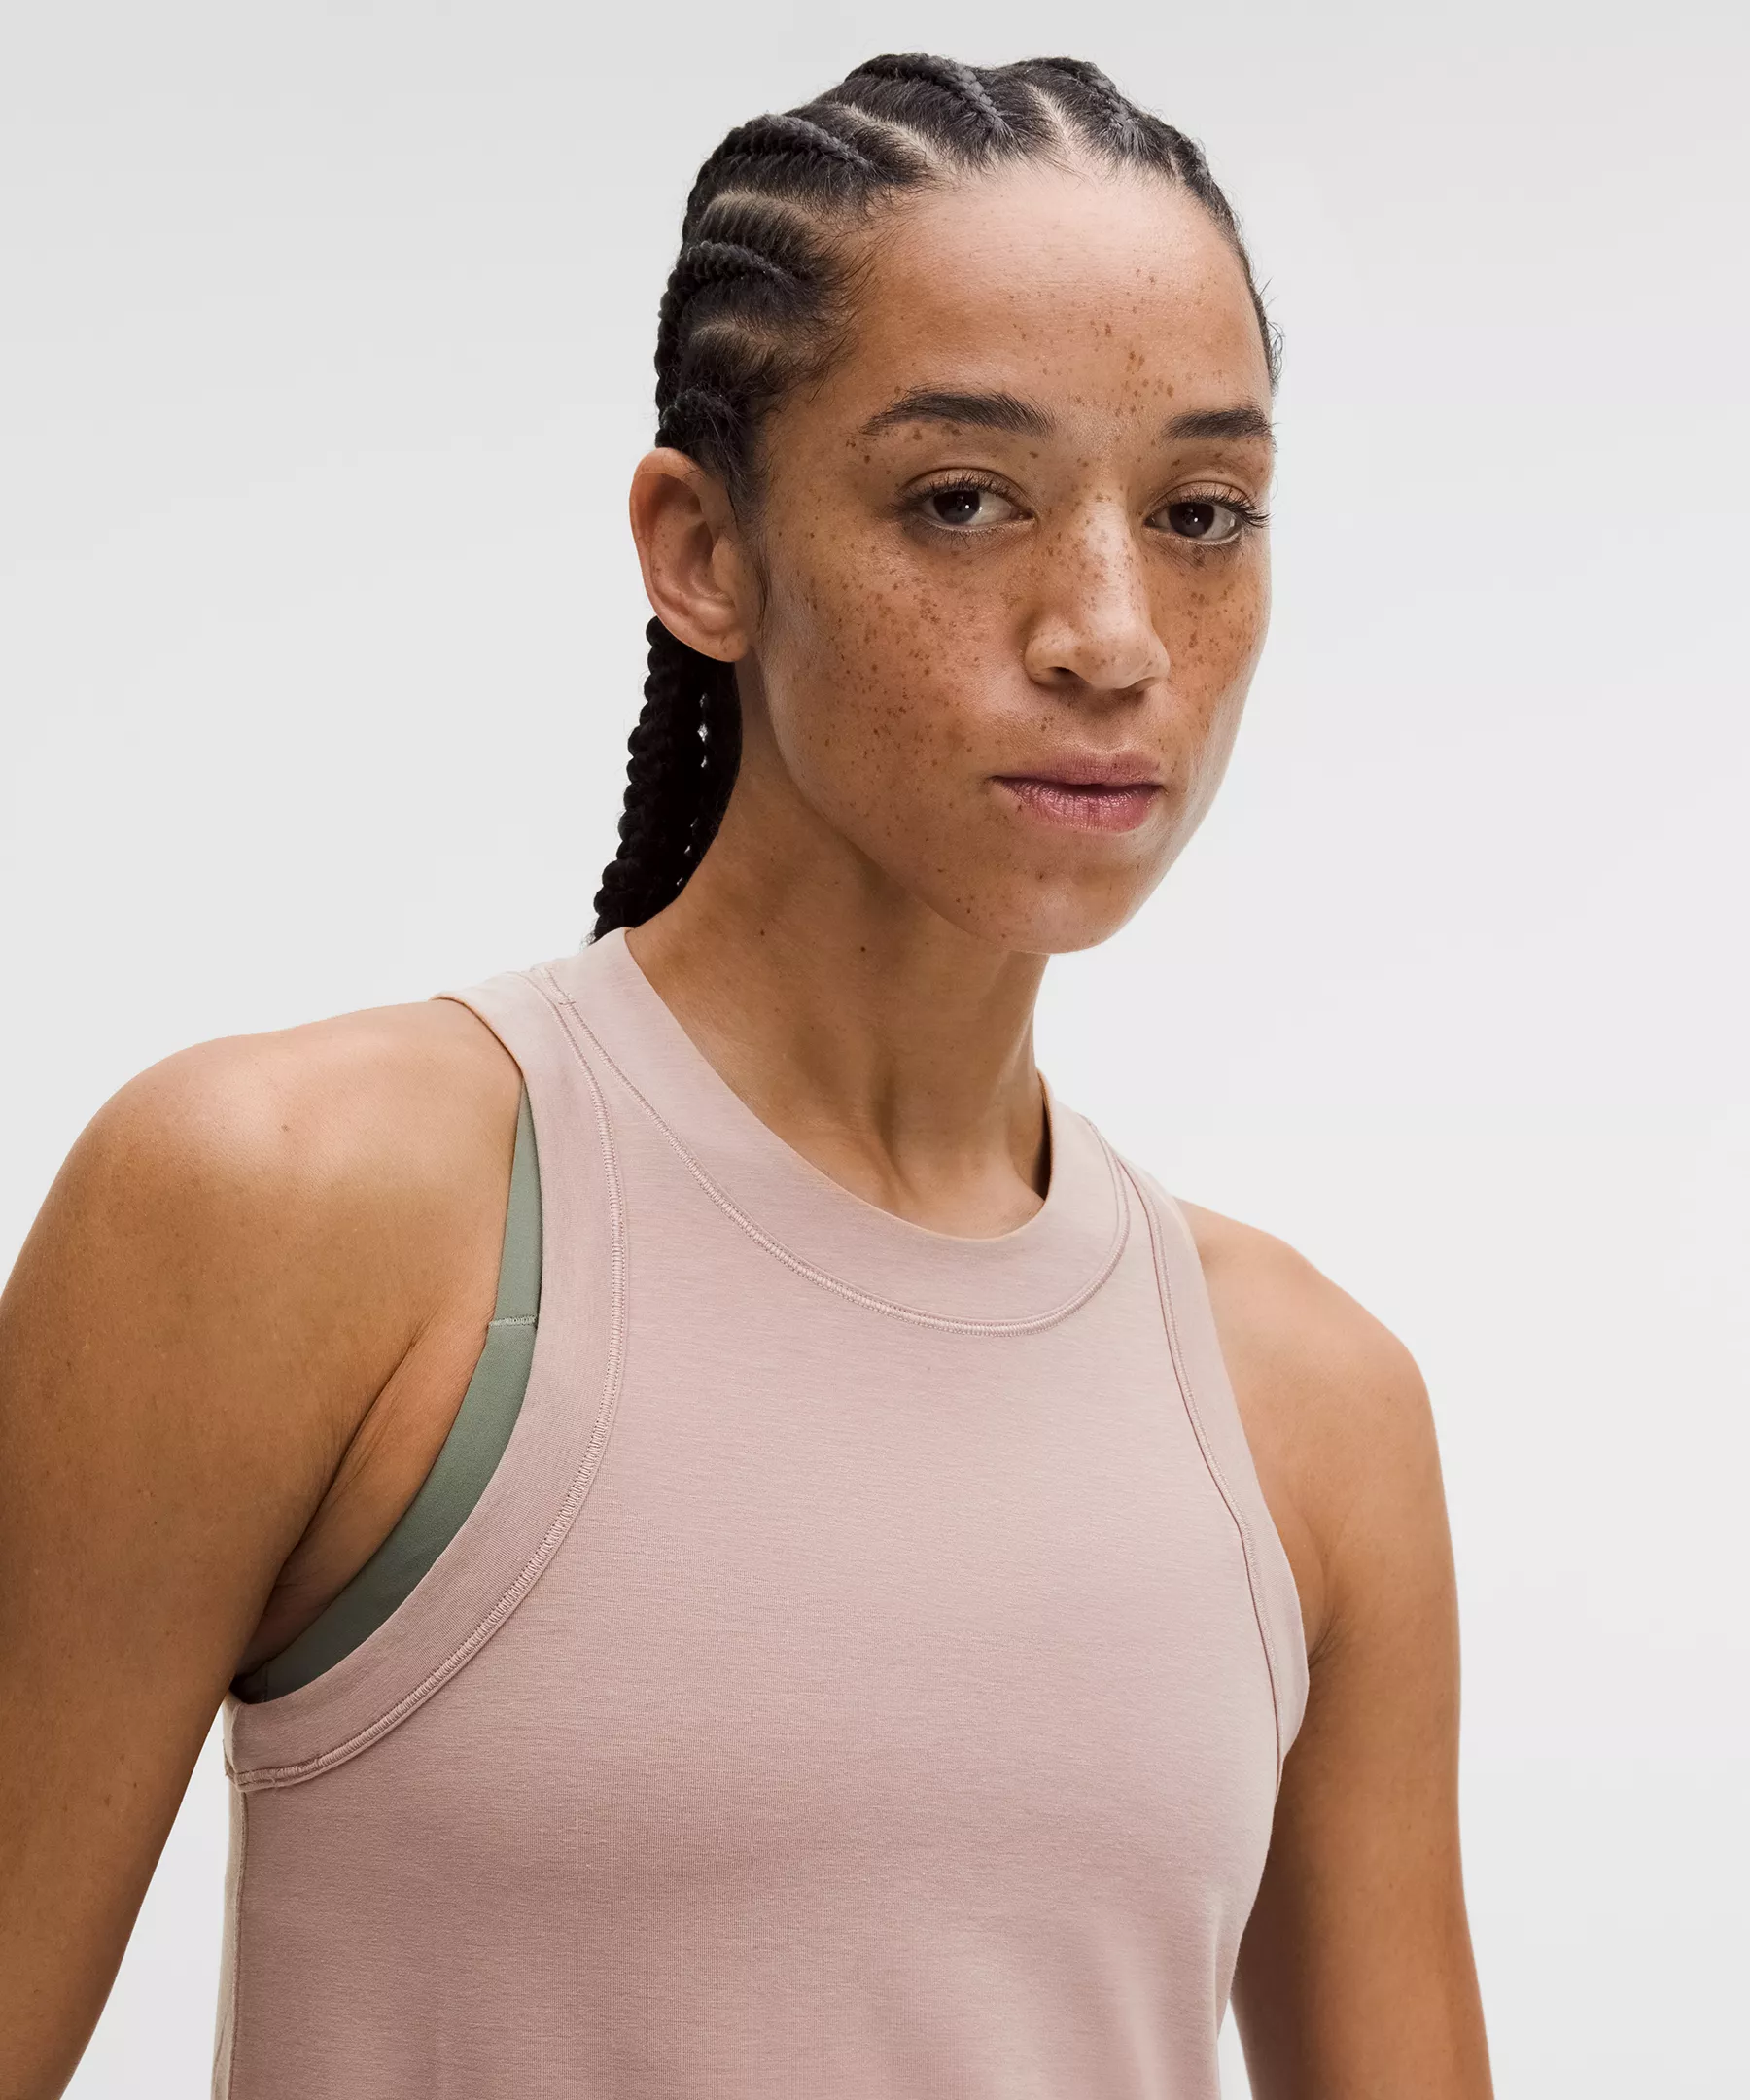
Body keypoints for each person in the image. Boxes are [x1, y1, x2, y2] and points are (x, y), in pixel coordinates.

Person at [0, 52, 1493, 2100]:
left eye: (1201, 515)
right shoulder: (289, 1211)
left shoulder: (1314, 1414)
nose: (1111, 633)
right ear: (701, 547)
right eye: (962, 499)